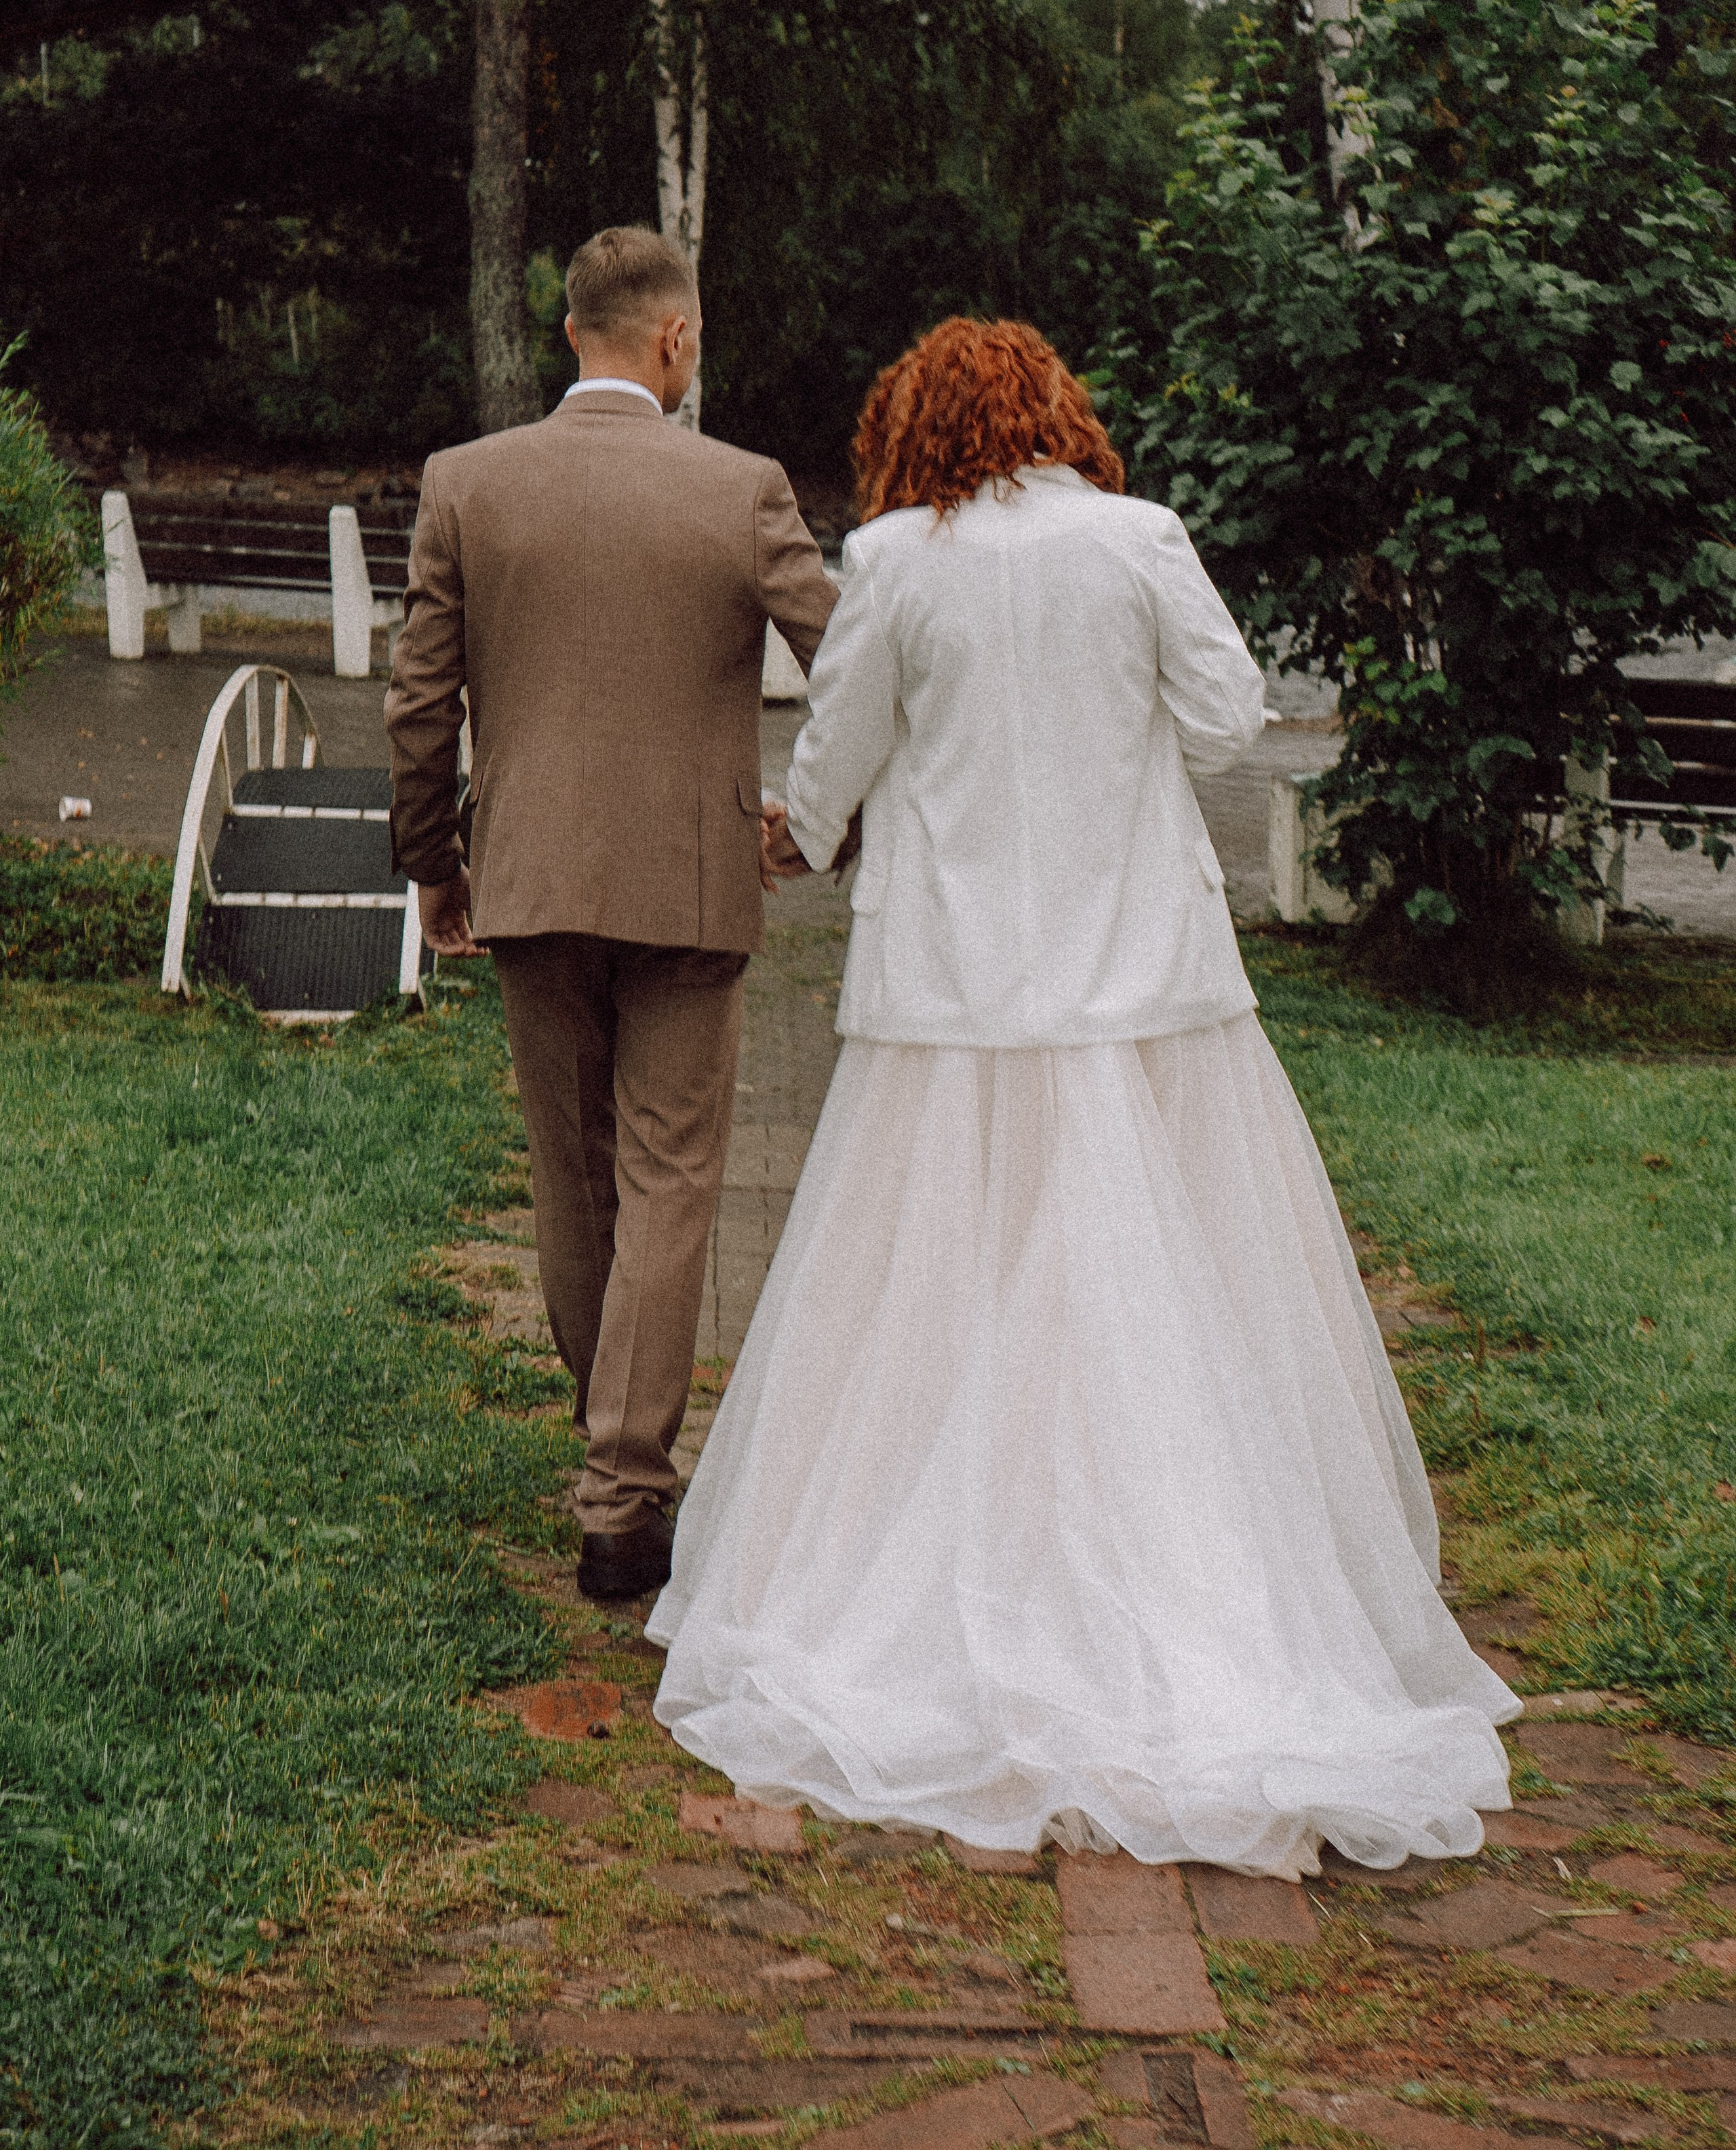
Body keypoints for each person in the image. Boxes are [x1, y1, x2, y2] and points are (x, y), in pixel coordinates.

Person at [648, 316, 1517, 1878]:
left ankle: (945, 1566)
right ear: (1057, 413)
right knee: (1162, 1281)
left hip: (955, 986)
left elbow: (836, 748)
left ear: (908, 424)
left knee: (937, 1277)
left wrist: (808, 831)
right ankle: (1188, 1582)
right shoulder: (1138, 538)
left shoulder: (898, 558)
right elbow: (1225, 717)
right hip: (1140, 972)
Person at [385, 225, 837, 1603]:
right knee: (668, 1180)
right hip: (693, 886)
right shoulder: (742, 488)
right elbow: (857, 669)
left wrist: (433, 865)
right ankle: (624, 1490)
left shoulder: (466, 484)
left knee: (574, 1179)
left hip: (525, 879)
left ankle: (613, 1465)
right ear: (674, 338)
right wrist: (822, 825)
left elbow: (418, 701)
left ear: (568, 332)